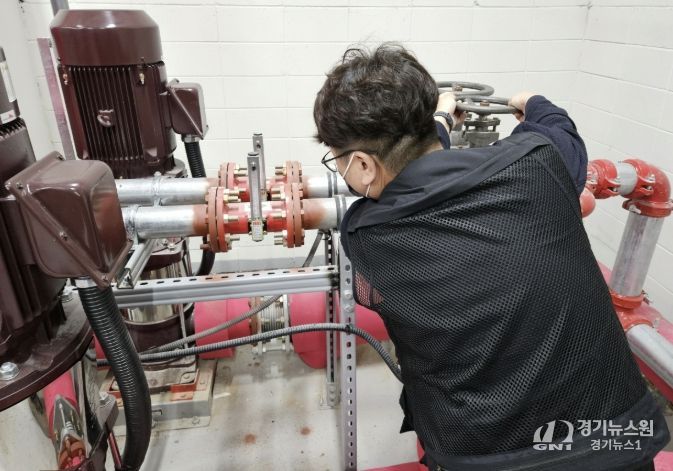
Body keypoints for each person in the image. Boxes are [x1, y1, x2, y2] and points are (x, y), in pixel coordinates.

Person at [313, 43, 669, 471]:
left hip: (483, 455)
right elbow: (560, 131)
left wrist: (441, 122)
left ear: (363, 165)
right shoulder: (540, 162)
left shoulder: (366, 235)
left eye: (338, 160)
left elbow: (413, 186)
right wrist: (531, 101)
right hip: (616, 442)